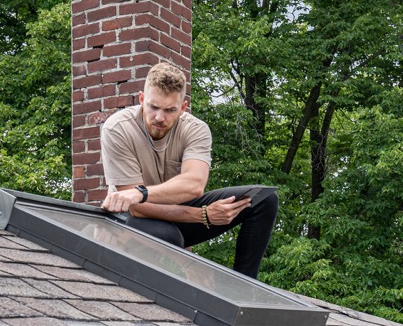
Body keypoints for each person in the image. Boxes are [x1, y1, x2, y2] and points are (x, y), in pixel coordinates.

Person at [99, 61, 277, 278]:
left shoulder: (196, 130)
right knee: (171, 237)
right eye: (153, 107)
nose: (159, 117)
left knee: (263, 200)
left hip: (177, 213)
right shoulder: (117, 128)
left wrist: (140, 193)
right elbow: (137, 209)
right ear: (142, 99)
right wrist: (202, 217)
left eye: (170, 110)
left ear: (182, 108)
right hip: (132, 222)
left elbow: (194, 186)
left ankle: (245, 286)